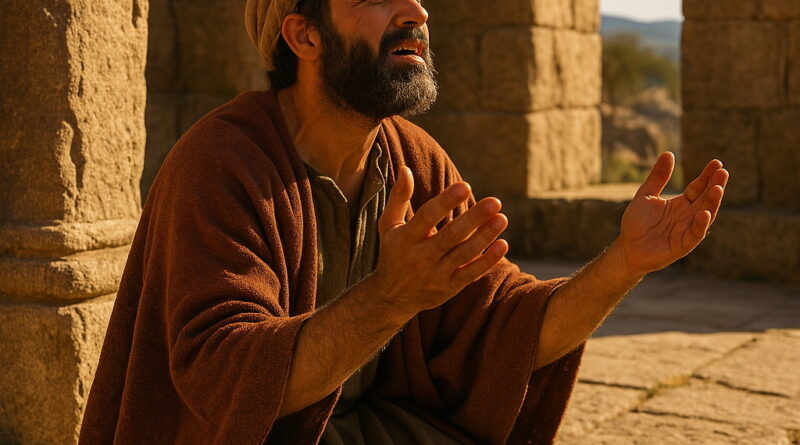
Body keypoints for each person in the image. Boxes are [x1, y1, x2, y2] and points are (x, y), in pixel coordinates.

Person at [78, 0, 729, 444]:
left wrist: (625, 262)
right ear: (304, 36)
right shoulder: (220, 164)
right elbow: (227, 380)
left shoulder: (415, 160)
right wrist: (391, 296)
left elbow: (504, 327)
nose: (417, 11)